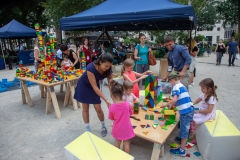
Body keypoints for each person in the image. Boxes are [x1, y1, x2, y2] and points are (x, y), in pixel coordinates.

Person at [74, 53, 113, 136]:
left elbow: (110, 84)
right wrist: (106, 99)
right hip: (84, 86)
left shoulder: (109, 69)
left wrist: (113, 96)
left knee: (98, 108)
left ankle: (103, 126)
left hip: (94, 86)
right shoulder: (90, 68)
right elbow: (95, 87)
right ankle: (87, 128)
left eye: (109, 66)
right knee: (85, 108)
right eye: (106, 66)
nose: (107, 68)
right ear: (100, 62)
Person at [161, 71, 194, 156]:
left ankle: (182, 150)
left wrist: (166, 104)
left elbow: (175, 99)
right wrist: (171, 105)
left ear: (172, 80)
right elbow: (179, 99)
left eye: (170, 82)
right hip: (189, 110)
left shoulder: (175, 87)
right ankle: (183, 139)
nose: (170, 84)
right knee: (184, 127)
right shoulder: (182, 85)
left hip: (185, 112)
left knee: (184, 130)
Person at [108, 80, 135, 154]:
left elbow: (111, 118)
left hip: (117, 128)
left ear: (112, 95)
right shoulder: (127, 104)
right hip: (126, 127)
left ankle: (117, 157)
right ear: (123, 93)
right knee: (126, 144)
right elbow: (130, 113)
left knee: (117, 143)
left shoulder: (112, 107)